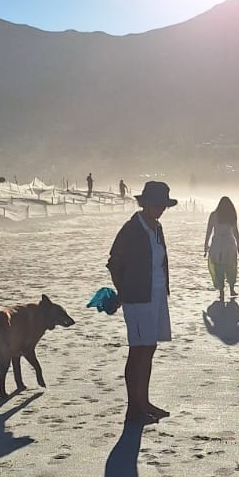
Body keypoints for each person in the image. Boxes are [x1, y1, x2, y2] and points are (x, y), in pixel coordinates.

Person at [107, 180, 177, 424]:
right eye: (157, 205)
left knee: (149, 348)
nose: (160, 209)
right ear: (145, 204)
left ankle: (143, 402)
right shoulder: (131, 229)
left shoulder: (156, 227)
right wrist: (123, 292)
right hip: (137, 299)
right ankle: (133, 408)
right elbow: (114, 262)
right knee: (137, 351)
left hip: (156, 296)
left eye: (163, 206)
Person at [204, 196, 239, 302]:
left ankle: (221, 292)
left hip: (217, 244)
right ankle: (232, 289)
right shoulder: (231, 215)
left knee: (218, 268)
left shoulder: (213, 215)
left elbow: (209, 231)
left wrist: (205, 245)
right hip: (229, 244)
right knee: (231, 267)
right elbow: (235, 231)